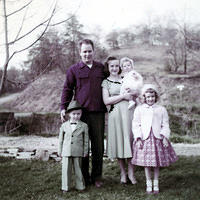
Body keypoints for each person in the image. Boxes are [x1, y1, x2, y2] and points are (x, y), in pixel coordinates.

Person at [60, 39, 106, 188]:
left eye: (89, 51)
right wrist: (63, 107)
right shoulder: (74, 69)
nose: (87, 54)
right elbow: (67, 89)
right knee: (82, 147)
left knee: (98, 147)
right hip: (81, 115)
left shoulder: (101, 68)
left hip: (98, 113)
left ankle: (97, 177)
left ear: (94, 51)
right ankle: (84, 177)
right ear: (80, 53)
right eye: (84, 51)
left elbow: (111, 83)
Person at [131, 84, 178, 194]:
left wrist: (165, 137)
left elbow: (165, 124)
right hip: (145, 139)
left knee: (156, 163)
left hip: (158, 139)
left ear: (155, 97)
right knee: (147, 163)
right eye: (148, 97)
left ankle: (156, 183)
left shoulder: (161, 109)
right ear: (144, 98)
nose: (150, 99)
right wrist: (138, 138)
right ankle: (149, 183)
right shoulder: (139, 109)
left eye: (152, 97)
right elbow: (136, 124)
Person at [101, 56, 138, 184]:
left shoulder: (126, 78)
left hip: (129, 113)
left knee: (130, 141)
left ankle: (131, 173)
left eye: (117, 66)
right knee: (119, 142)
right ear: (108, 67)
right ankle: (123, 173)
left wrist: (132, 95)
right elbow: (106, 100)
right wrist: (123, 96)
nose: (115, 68)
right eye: (112, 66)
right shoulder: (106, 82)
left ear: (120, 67)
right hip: (115, 114)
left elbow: (135, 93)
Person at [58, 100, 89, 192]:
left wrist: (85, 151)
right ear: (69, 114)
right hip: (66, 151)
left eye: (78, 114)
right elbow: (61, 140)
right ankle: (65, 187)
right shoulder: (64, 126)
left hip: (78, 151)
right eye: (74, 114)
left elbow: (86, 140)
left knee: (78, 169)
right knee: (66, 170)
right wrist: (60, 151)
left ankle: (80, 186)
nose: (76, 116)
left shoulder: (84, 126)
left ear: (81, 114)